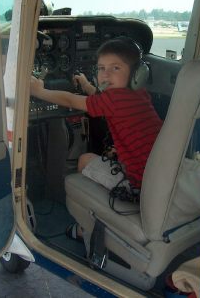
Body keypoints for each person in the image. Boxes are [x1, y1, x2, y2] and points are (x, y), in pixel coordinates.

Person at [30, 37, 162, 236]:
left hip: (137, 188)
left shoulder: (114, 99)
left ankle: (85, 227)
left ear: (136, 73)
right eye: (101, 68)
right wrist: (86, 85)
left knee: (84, 160)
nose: (105, 75)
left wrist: (40, 91)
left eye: (115, 68)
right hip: (155, 177)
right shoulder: (139, 94)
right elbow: (101, 100)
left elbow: (70, 100)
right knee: (107, 154)